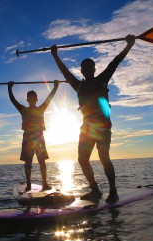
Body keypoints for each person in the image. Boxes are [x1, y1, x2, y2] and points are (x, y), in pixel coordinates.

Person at [50, 35, 135, 203]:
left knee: (104, 157)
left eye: (90, 67)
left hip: (103, 127)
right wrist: (55, 55)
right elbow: (65, 72)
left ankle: (113, 191)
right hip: (87, 128)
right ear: (82, 71)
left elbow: (115, 62)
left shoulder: (102, 79)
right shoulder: (78, 85)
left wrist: (129, 45)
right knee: (82, 160)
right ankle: (95, 191)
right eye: (85, 68)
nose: (88, 69)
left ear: (94, 69)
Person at [8, 80, 59, 192]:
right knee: (28, 163)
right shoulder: (23, 110)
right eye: (29, 98)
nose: (31, 99)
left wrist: (55, 87)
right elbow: (13, 100)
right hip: (27, 139)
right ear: (27, 100)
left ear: (36, 99)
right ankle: (29, 184)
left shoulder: (41, 109)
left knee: (42, 162)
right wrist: (9, 88)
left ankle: (45, 184)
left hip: (39, 138)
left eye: (33, 97)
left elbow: (49, 98)